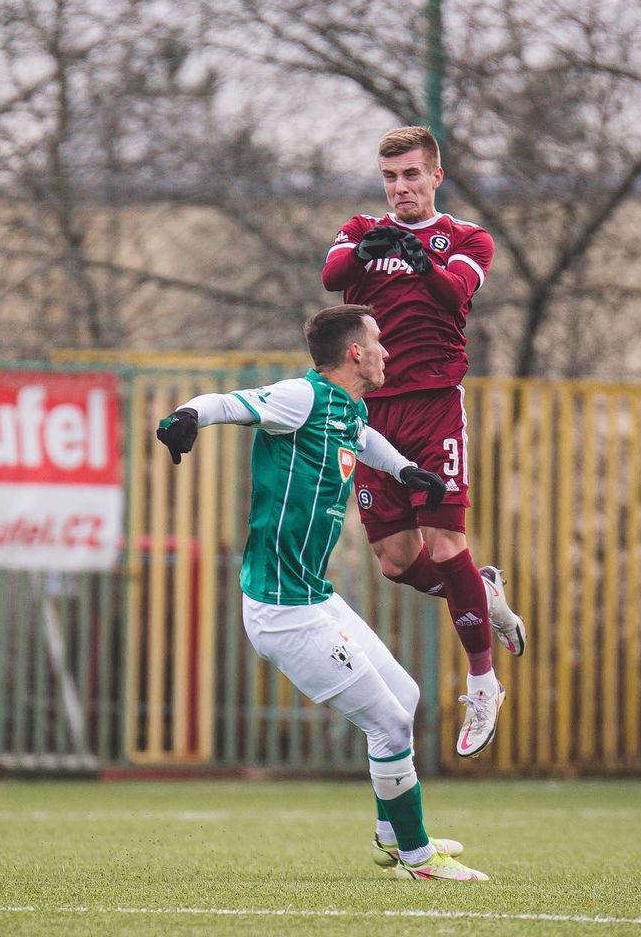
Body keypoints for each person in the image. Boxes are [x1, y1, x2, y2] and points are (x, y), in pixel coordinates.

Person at [156, 304, 487, 881]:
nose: (387, 351)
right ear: (355, 352)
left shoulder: (346, 407)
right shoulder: (300, 398)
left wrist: (406, 470)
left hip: (314, 595)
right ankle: (418, 858)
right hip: (282, 611)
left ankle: (391, 838)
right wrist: (187, 415)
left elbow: (364, 438)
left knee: (403, 698)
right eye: (379, 341)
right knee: (388, 722)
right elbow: (230, 403)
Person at [321, 125, 526, 760]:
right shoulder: (360, 229)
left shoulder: (467, 239)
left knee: (445, 543)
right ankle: (478, 590)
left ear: (436, 175)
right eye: (391, 177)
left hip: (434, 408)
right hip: (370, 416)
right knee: (395, 561)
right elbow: (333, 277)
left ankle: (482, 683)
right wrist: (367, 251)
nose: (401, 187)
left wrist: (417, 258)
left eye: (412, 175)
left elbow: (455, 292)